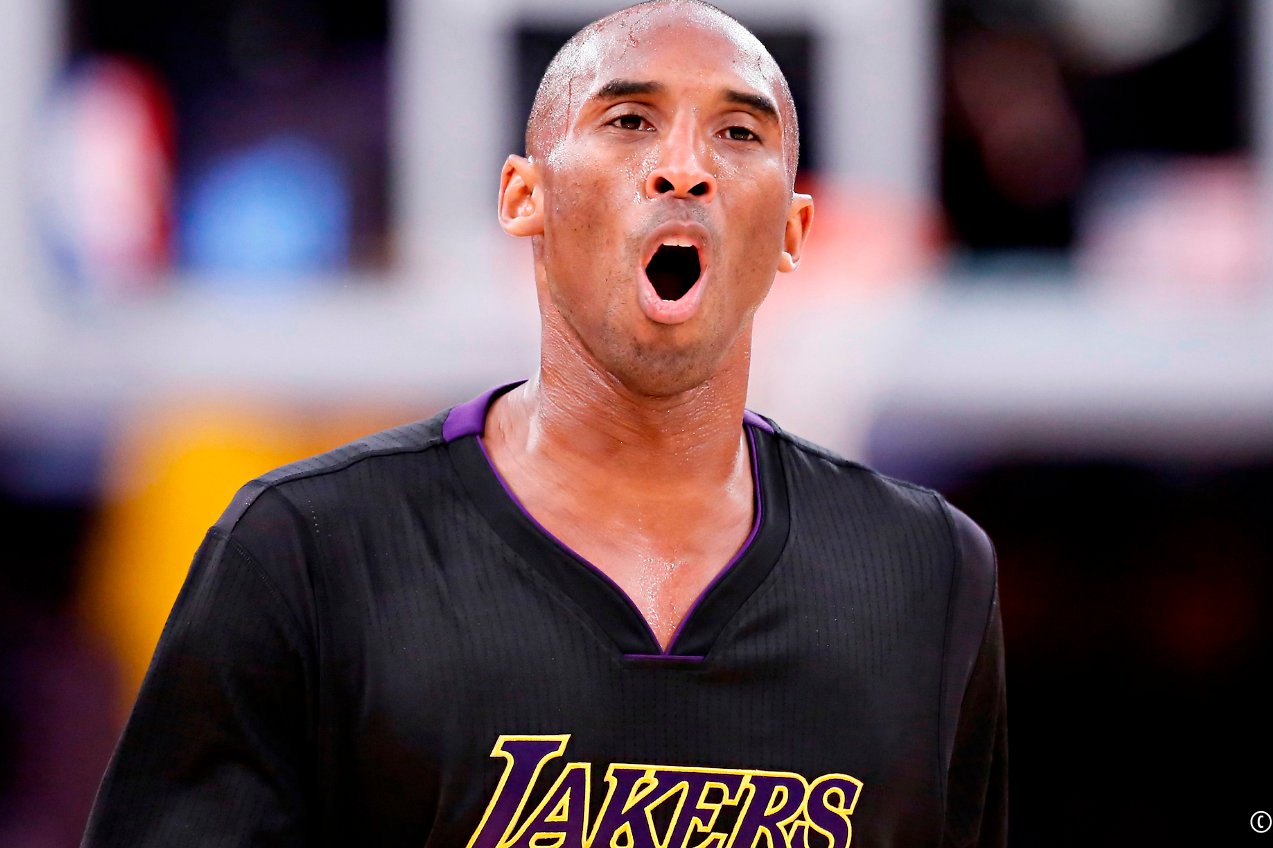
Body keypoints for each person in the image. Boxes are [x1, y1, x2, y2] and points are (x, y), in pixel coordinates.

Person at [81, 1, 1007, 845]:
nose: (683, 168)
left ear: (797, 230)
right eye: (629, 121)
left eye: (737, 133)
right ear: (523, 197)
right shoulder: (302, 547)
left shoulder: (926, 570)